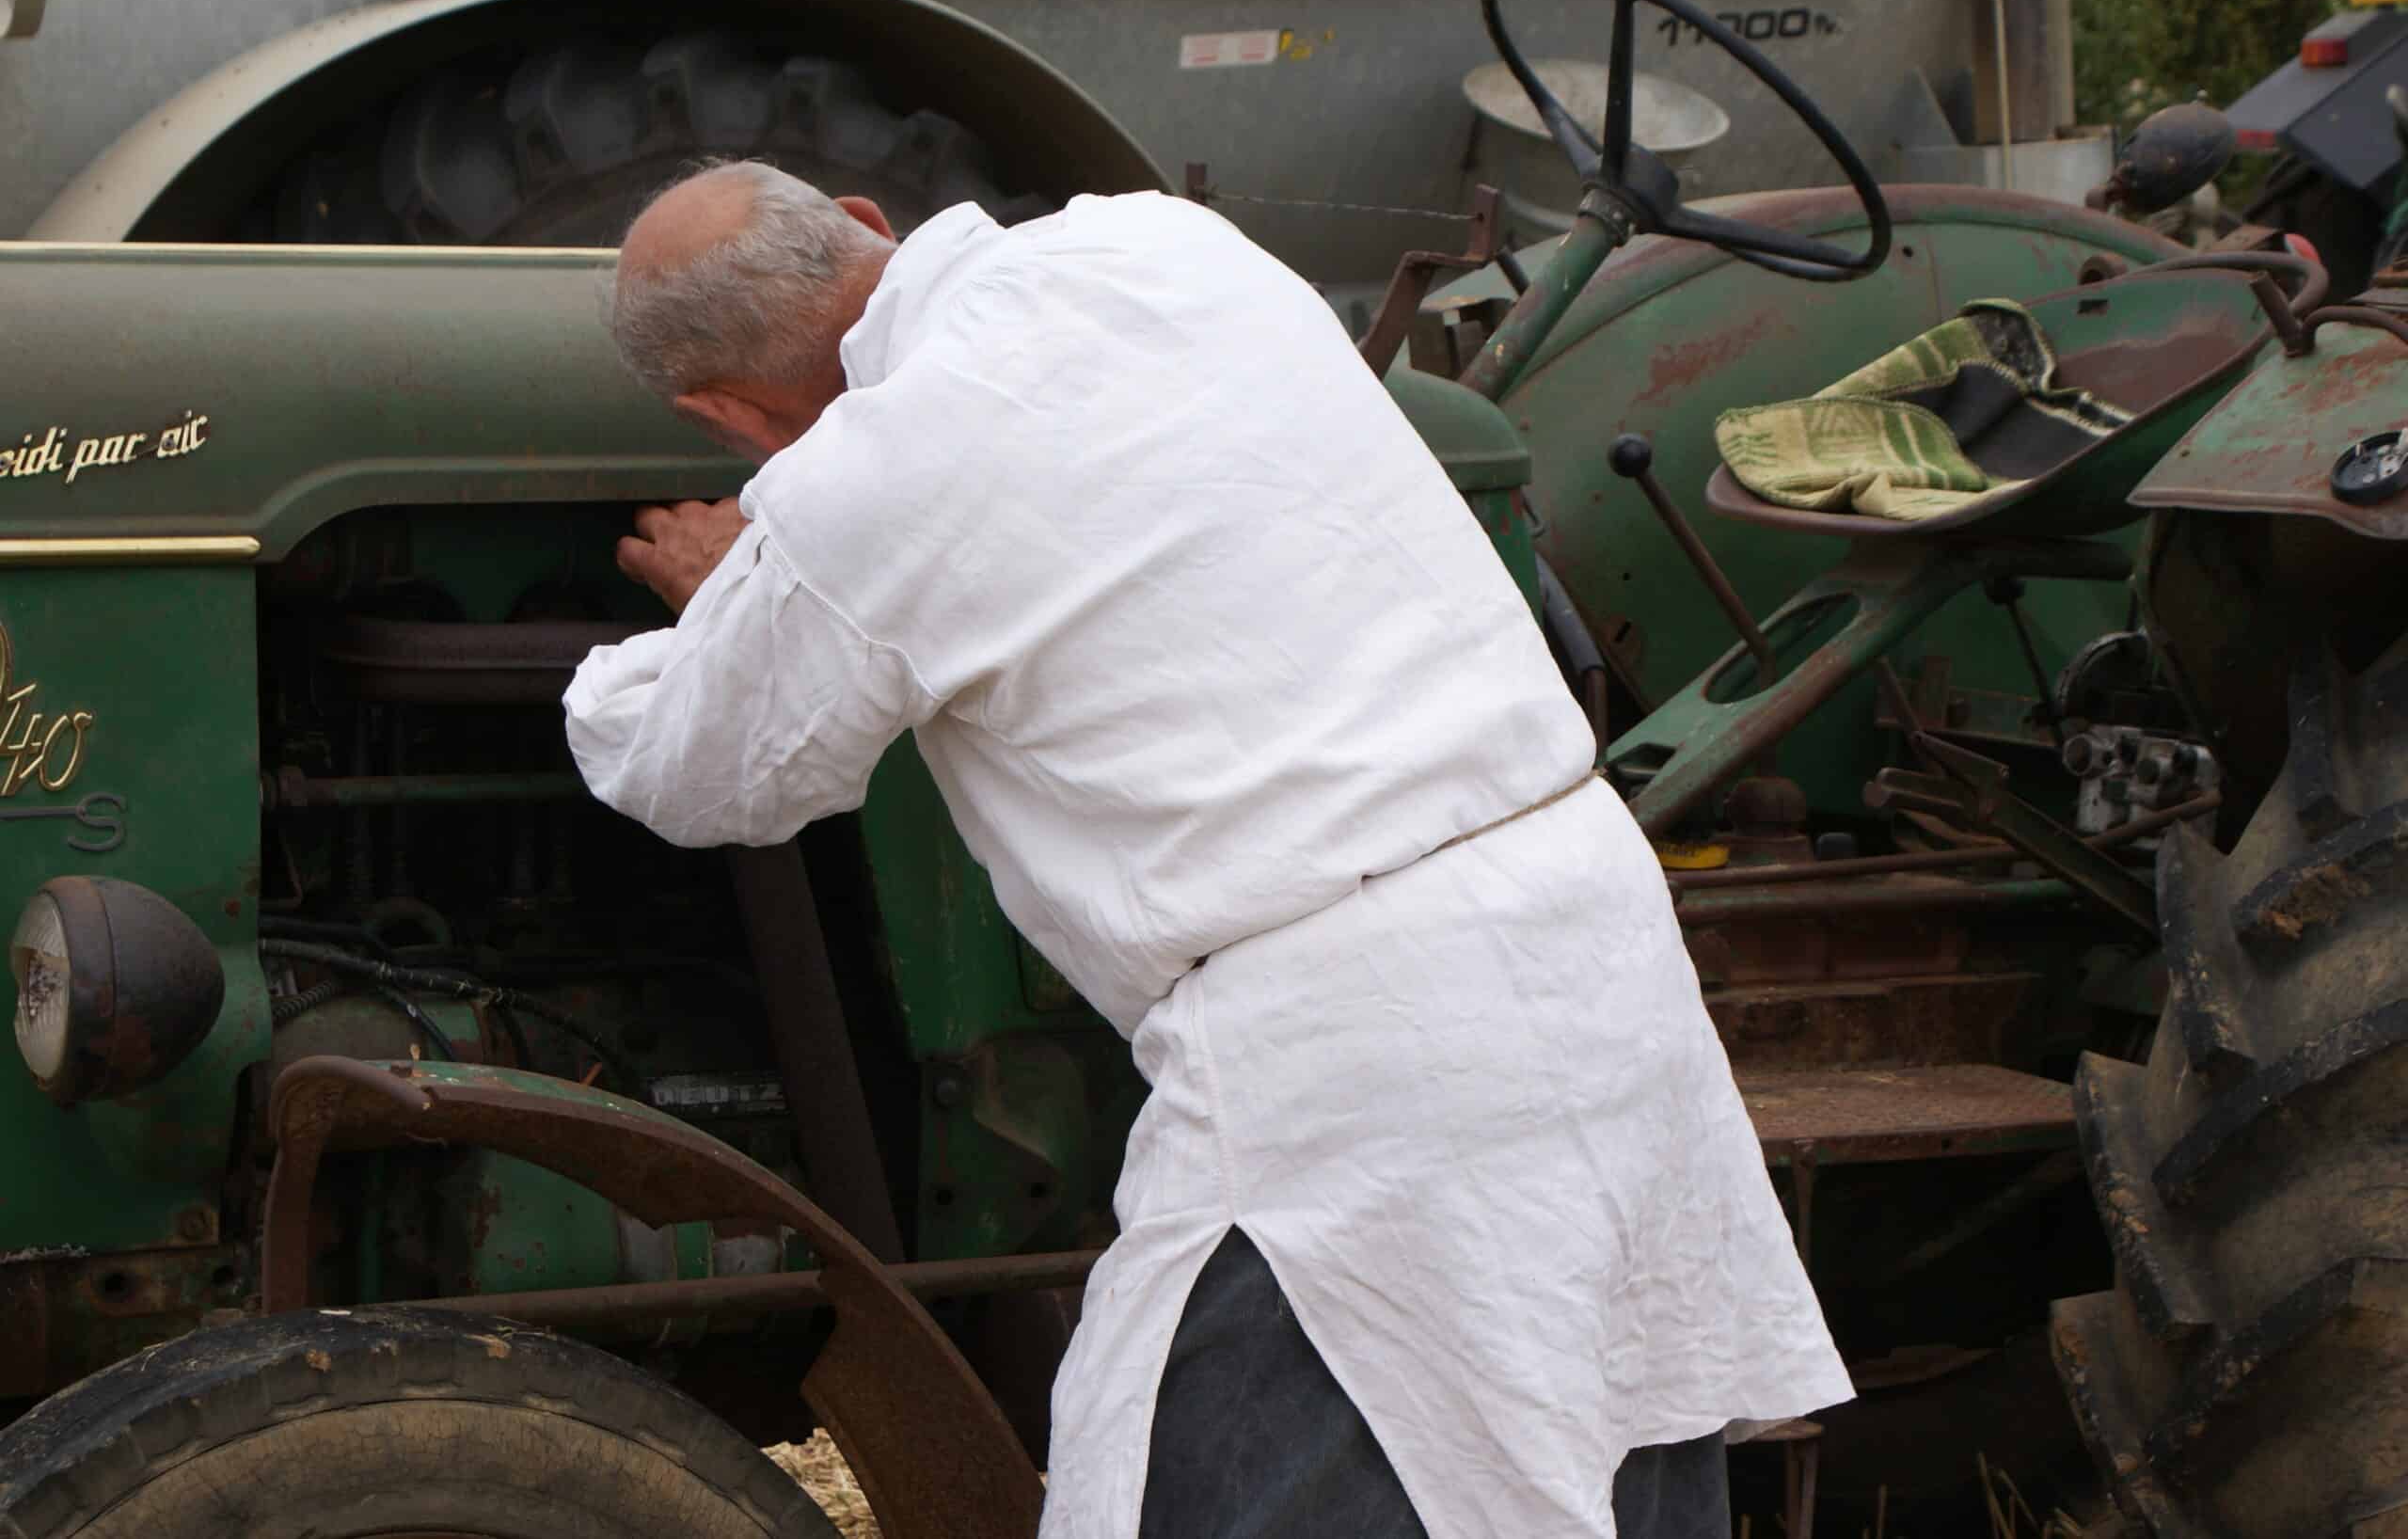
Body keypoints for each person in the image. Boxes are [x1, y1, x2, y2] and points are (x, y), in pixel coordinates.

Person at [564, 159, 1850, 1539]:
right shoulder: (1168, 244)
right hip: (1590, 937)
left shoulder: (853, 494)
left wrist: (721, 603)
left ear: (729, 416)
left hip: (1357, 1058)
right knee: (1607, 1436)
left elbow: (699, 768)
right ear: (869, 226)